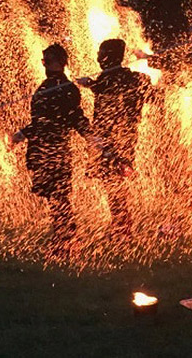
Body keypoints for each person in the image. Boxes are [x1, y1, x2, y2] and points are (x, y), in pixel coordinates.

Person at [12, 44, 90, 252]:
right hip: (44, 149)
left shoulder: (64, 88)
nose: (44, 64)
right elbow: (44, 120)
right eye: (43, 60)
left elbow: (69, 118)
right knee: (55, 197)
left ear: (59, 62)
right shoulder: (50, 86)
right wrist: (25, 133)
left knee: (59, 196)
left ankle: (66, 240)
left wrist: (92, 136)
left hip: (54, 151)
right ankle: (63, 237)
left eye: (46, 60)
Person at [77, 39, 151, 235]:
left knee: (112, 181)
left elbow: (112, 90)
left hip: (114, 141)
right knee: (112, 181)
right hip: (118, 140)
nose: (98, 57)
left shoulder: (111, 79)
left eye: (102, 53)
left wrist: (91, 85)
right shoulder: (123, 78)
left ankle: (122, 226)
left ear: (109, 56)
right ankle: (121, 223)